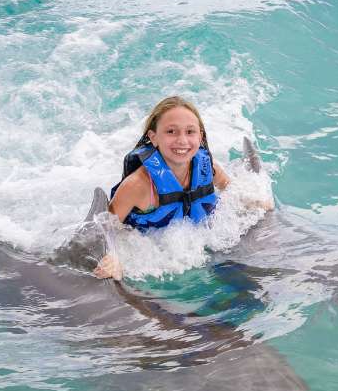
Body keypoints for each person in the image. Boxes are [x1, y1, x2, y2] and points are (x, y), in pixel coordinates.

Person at [94, 96, 268, 280]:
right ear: (153, 137)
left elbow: (231, 190)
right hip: (155, 249)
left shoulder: (207, 168)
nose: (182, 140)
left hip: (200, 241)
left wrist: (255, 202)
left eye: (190, 132)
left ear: (200, 136)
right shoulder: (137, 185)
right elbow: (105, 228)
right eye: (171, 131)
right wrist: (113, 257)